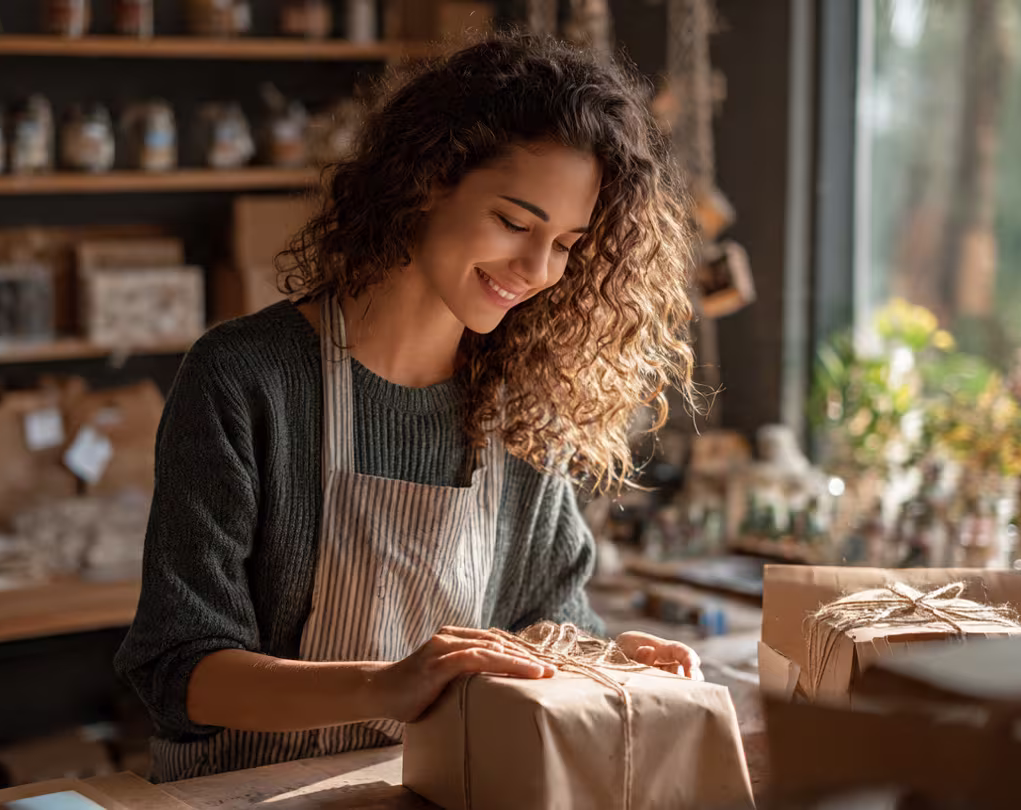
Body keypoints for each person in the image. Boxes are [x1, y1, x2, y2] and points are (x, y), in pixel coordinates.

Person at [115, 32, 706, 782]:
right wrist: (388, 683)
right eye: (516, 223)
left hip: (437, 789)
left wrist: (604, 656)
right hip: (245, 795)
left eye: (566, 244)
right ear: (428, 178)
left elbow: (541, 624)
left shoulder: (521, 404)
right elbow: (178, 669)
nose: (537, 270)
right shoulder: (244, 378)